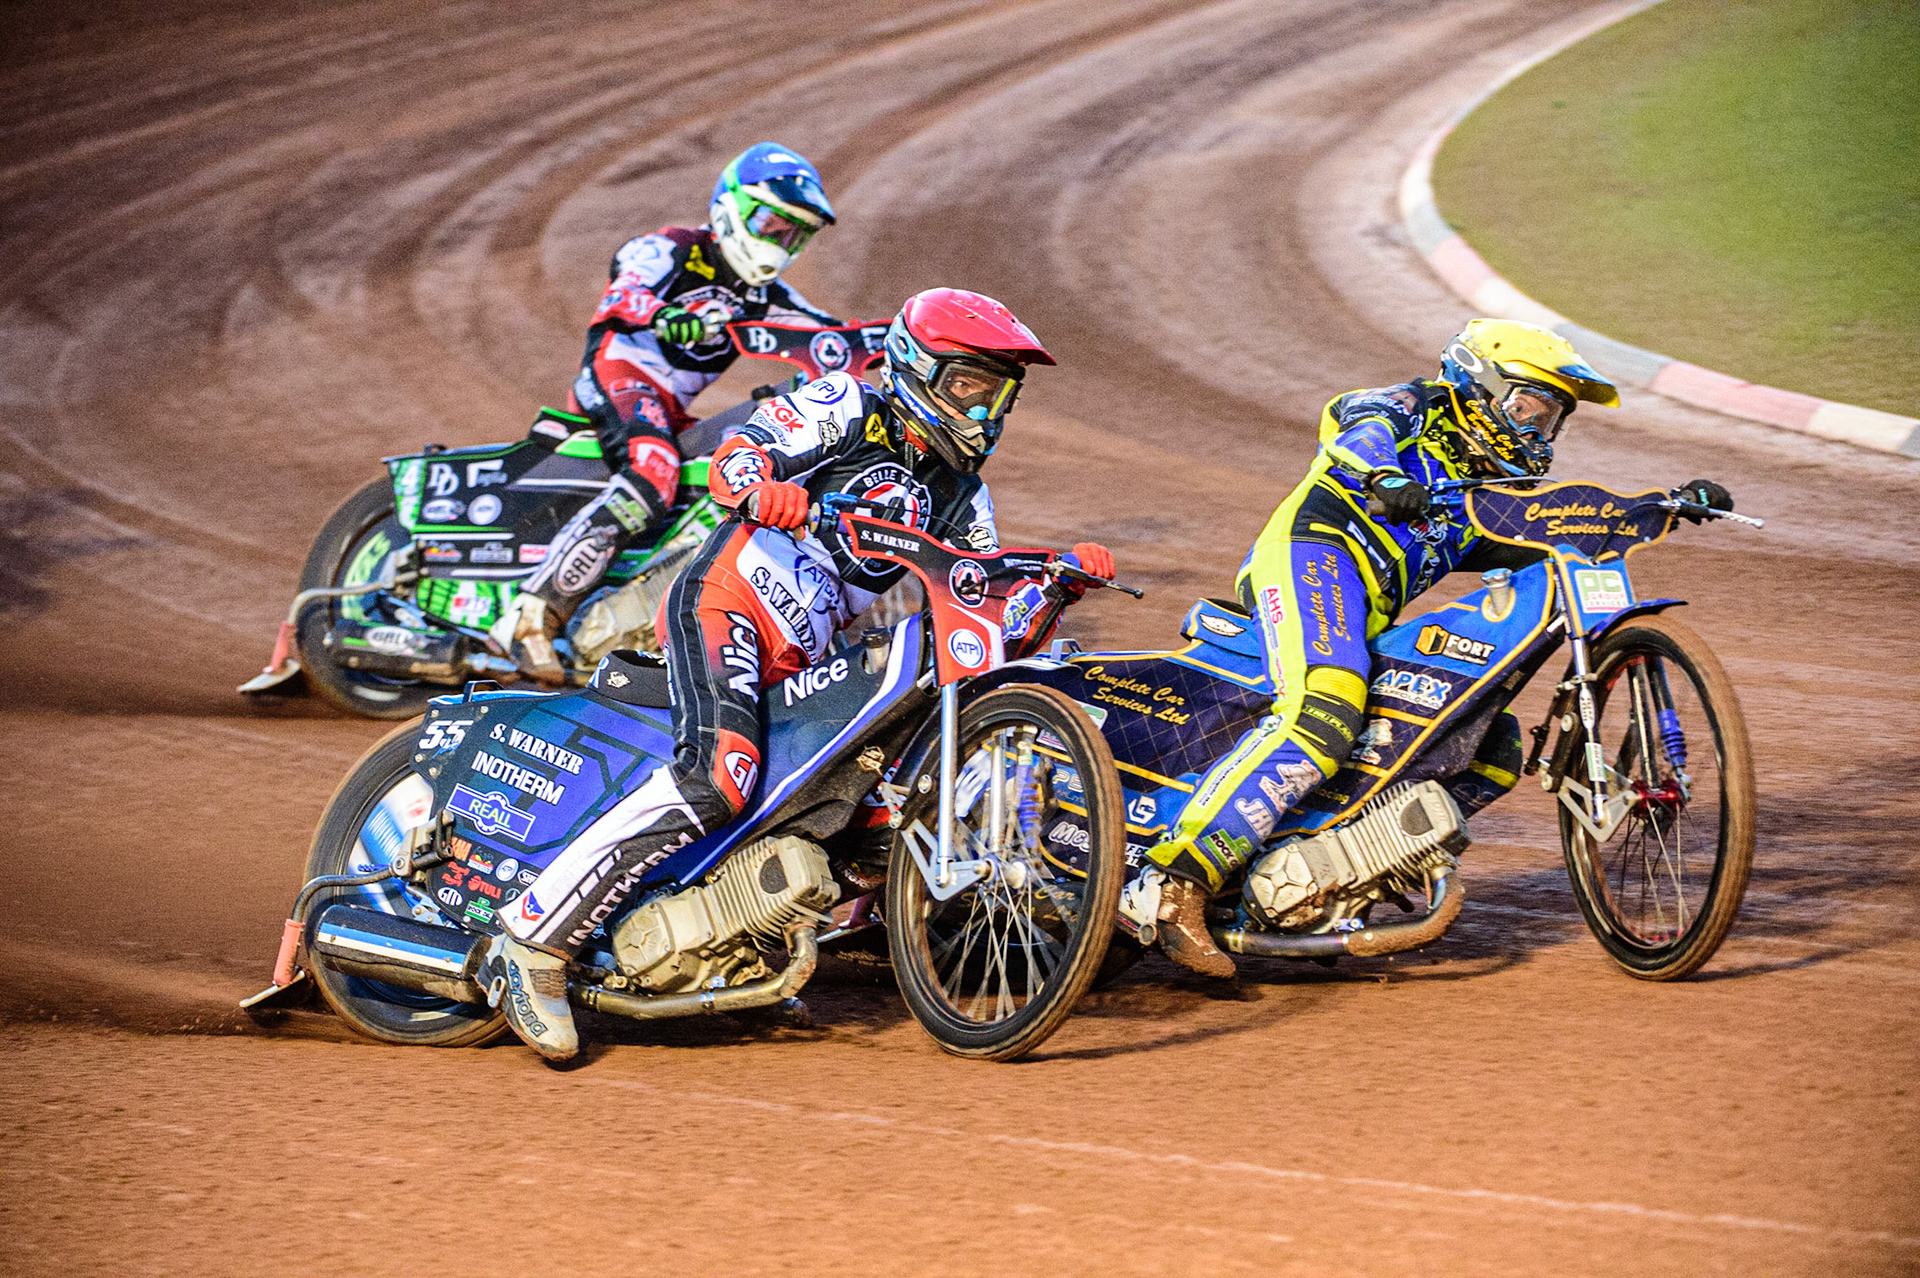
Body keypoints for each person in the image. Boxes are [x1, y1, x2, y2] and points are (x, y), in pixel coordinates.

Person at [479, 287, 1117, 1059]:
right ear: (919, 367)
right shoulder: (849, 403)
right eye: (971, 386)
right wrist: (758, 485)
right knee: (720, 777)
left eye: (998, 394)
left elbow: (977, 606)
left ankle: (733, 939)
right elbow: (741, 455)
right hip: (732, 601)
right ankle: (531, 944)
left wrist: (1050, 588)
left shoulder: (963, 494)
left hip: (810, 656)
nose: (985, 410)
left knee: (836, 802)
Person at [1144, 319, 1735, 977]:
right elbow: (1356, 424)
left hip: (1359, 609)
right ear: (1477, 384)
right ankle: (1178, 885)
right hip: (1310, 555)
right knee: (1325, 712)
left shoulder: (1478, 496)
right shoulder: (1412, 407)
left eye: (1551, 422)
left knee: (1490, 742)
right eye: (1527, 409)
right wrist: (1384, 475)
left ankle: (1351, 862)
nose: (1538, 433)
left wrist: (1663, 507)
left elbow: (1553, 534)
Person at [495, 142, 846, 683]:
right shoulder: (674, 249)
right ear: (733, 208)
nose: (780, 241)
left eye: (794, 234)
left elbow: (829, 335)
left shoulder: (770, 295)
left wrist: (892, 348)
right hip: (618, 375)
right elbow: (623, 291)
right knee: (654, 471)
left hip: (670, 408)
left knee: (750, 445)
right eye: (774, 224)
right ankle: (532, 613)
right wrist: (664, 314)